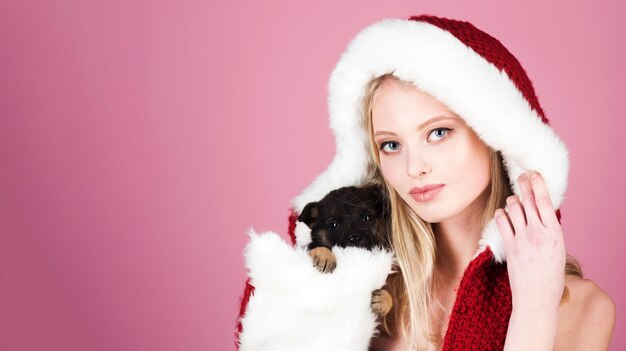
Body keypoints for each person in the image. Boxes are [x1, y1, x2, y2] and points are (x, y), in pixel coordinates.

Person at [234, 14, 616, 351]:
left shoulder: (579, 307)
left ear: (495, 136)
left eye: (438, 133)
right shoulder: (356, 285)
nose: (414, 167)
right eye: (391, 144)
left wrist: (534, 308)